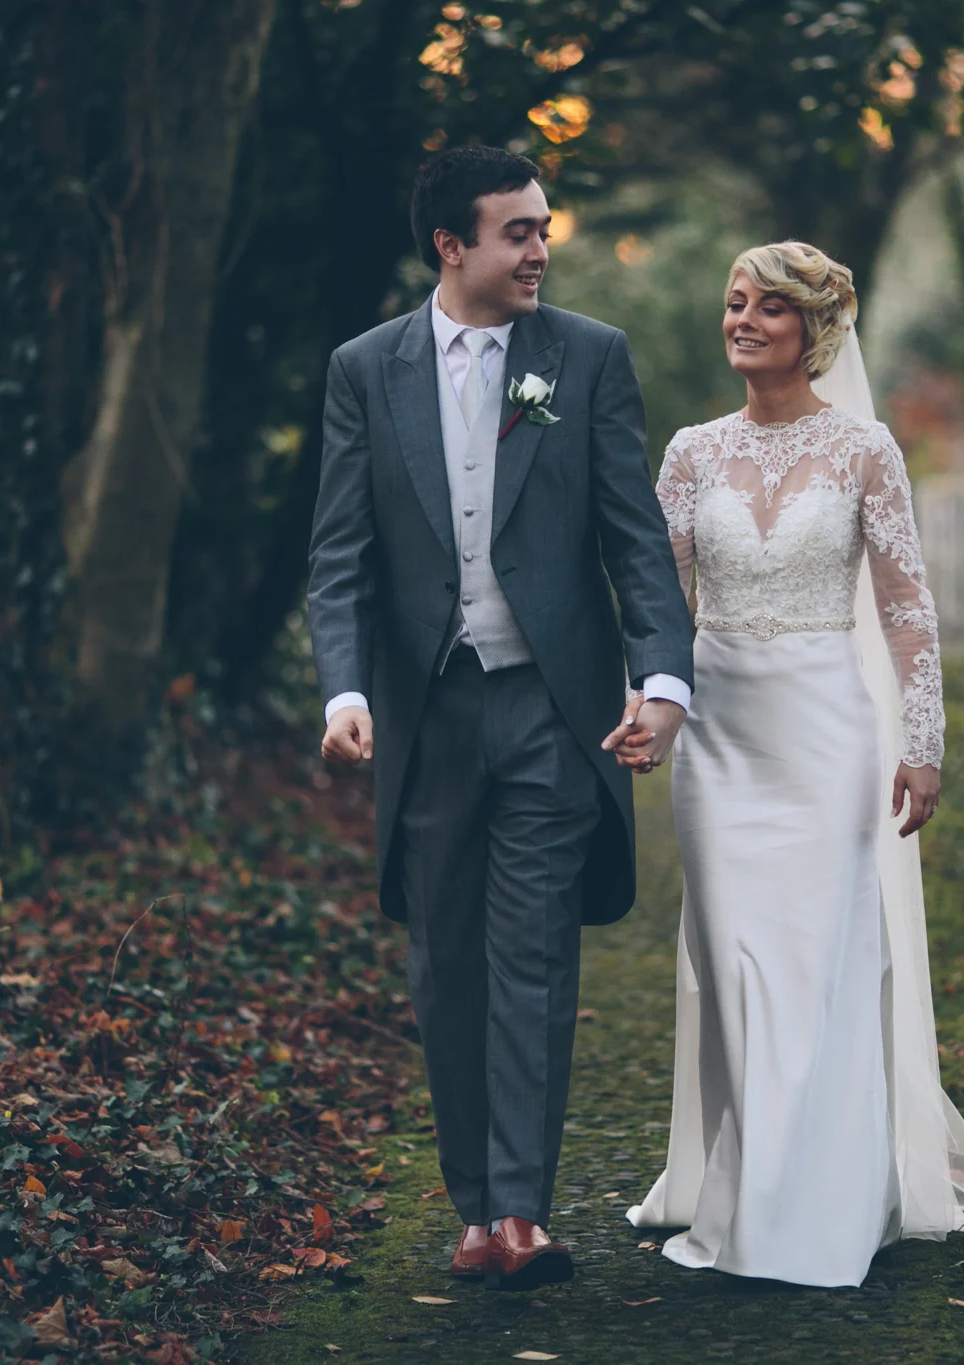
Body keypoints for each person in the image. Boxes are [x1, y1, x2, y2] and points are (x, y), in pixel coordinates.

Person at [306, 146, 695, 1289]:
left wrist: (661, 679)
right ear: (450, 247)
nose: (538, 250)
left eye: (542, 228)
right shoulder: (362, 369)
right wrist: (345, 689)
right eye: (516, 231)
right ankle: (470, 1209)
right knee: (446, 967)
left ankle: (519, 1211)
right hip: (425, 718)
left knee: (530, 957)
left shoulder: (586, 357)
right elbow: (339, 555)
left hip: (548, 710)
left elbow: (632, 536)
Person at [618, 241, 964, 1287]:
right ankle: (746, 1184)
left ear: (812, 331)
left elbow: (905, 610)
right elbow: (657, 608)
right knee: (736, 963)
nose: (740, 321)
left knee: (819, 961)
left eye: (766, 309)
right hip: (721, 738)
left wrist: (923, 742)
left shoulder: (866, 450)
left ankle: (817, 1200)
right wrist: (645, 706)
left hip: (827, 732)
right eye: (732, 303)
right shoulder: (689, 452)